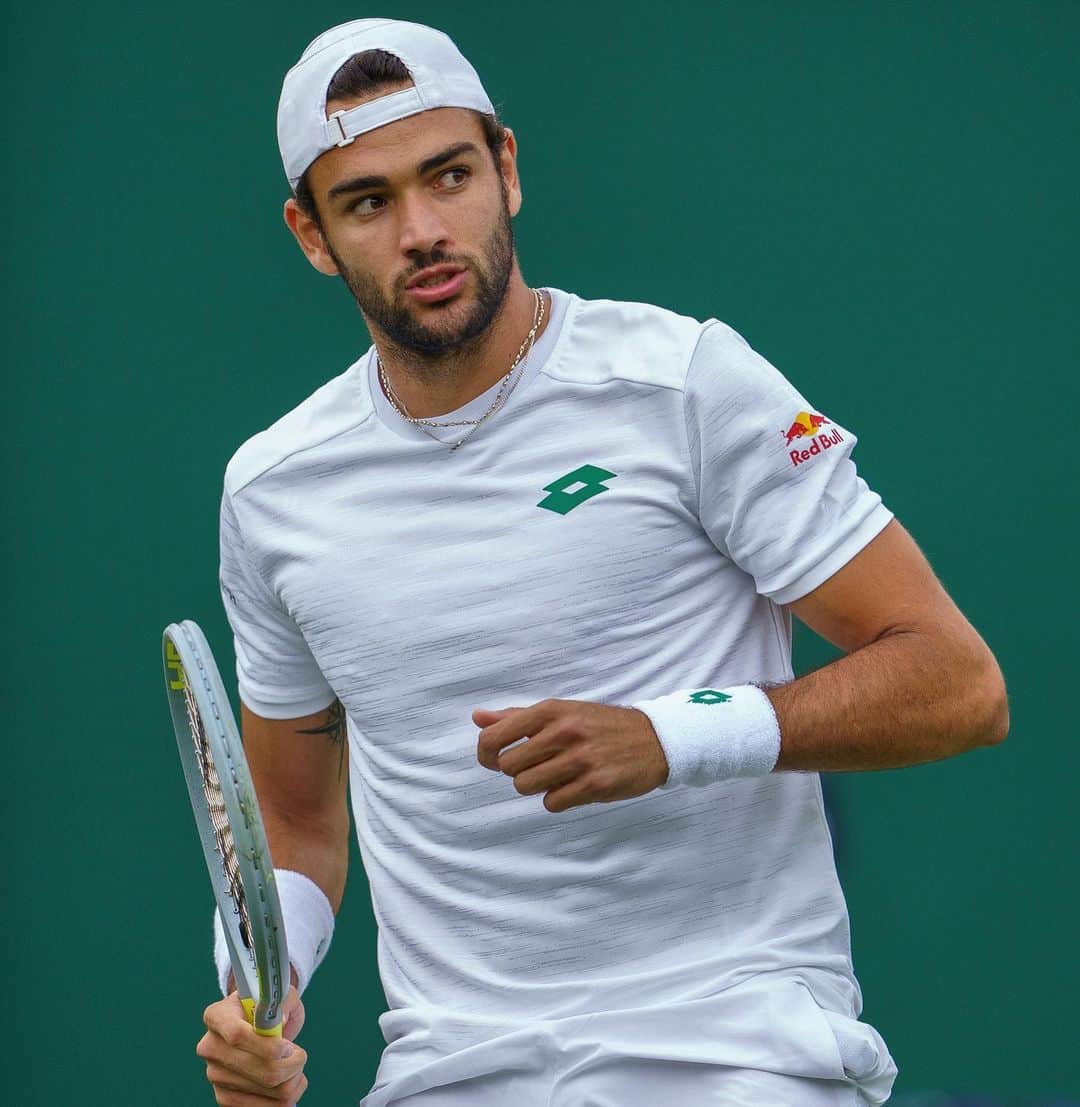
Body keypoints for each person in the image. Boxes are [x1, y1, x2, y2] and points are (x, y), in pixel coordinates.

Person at [194, 18, 1008, 1107]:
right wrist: (264, 987)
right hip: (454, 1072)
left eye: (450, 177)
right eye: (370, 201)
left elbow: (959, 683)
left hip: (738, 1055)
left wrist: (673, 738)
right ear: (311, 233)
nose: (424, 230)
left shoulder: (688, 386)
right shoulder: (272, 492)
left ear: (508, 170)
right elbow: (293, 827)